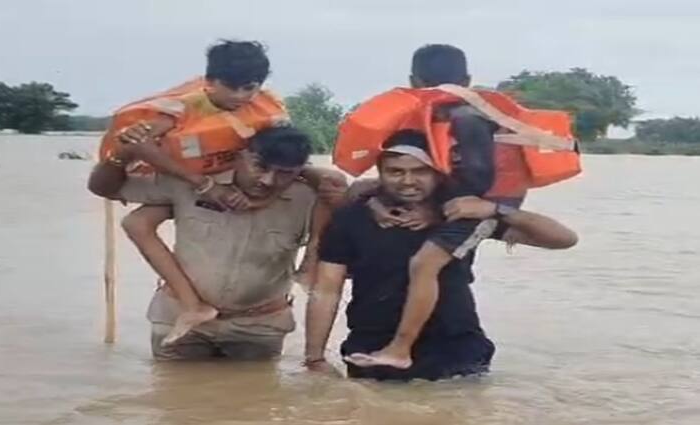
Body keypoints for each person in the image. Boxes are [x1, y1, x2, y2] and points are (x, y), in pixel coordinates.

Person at [93, 40, 346, 344]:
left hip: (261, 324)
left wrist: (298, 180)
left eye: (249, 88)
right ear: (209, 82)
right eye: (231, 87)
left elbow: (291, 158)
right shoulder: (179, 111)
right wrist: (203, 184)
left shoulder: (272, 121)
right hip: (196, 185)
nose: (240, 96)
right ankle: (190, 305)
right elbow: (115, 182)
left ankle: (307, 264)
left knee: (328, 184)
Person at [304, 130, 577, 380]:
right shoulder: (352, 219)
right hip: (372, 350)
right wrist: (315, 359)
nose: (408, 181)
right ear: (380, 172)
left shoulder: (461, 217)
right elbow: (326, 290)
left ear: (438, 171)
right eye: (395, 171)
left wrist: (496, 209)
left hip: (456, 348)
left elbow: (563, 239)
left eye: (420, 171)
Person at [345, 44, 514, 369]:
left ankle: (400, 348)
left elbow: (478, 182)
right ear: (465, 78)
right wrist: (377, 193)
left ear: (413, 81)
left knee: (424, 265)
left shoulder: (468, 118)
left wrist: (437, 210)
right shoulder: (430, 118)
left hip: (477, 205)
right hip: (456, 199)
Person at [89, 125, 318, 360]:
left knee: (259, 393)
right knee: (172, 392)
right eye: (259, 166)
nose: (268, 180)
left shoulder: (309, 198)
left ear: (300, 171)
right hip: (179, 317)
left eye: (285, 173)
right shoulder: (193, 182)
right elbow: (103, 188)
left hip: (259, 325)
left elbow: (342, 200)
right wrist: (121, 155)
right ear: (241, 155)